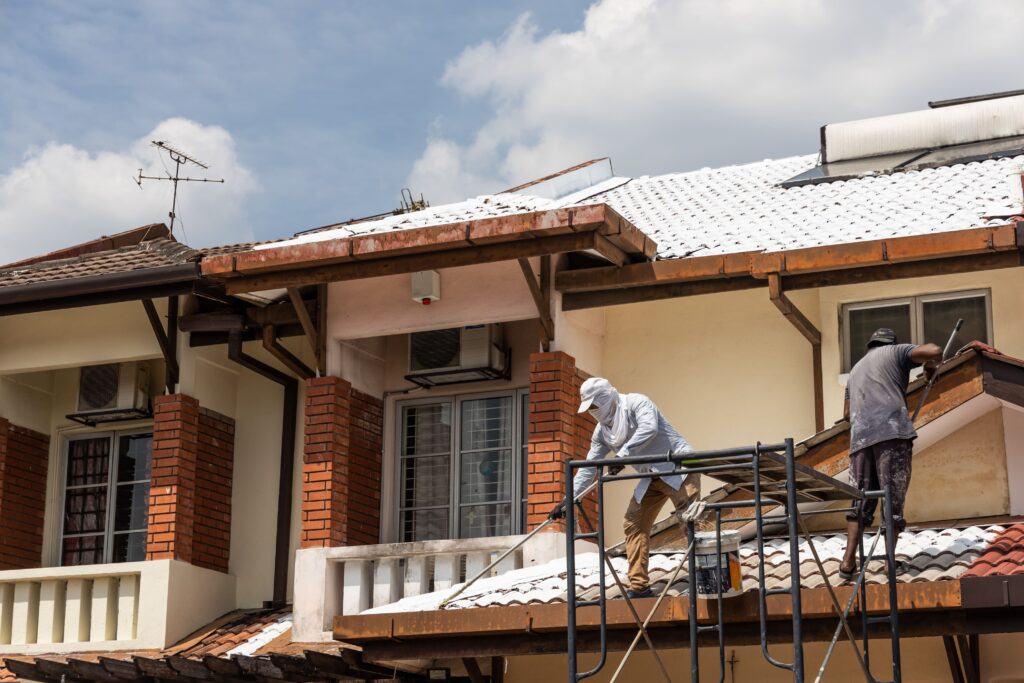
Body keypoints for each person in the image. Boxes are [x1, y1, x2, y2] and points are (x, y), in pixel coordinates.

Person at [837, 327, 992, 580]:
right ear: (890, 343)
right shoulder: (896, 351)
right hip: (890, 433)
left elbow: (846, 414)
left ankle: (847, 561)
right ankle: (888, 563)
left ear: (870, 345)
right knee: (892, 499)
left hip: (860, 441)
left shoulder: (854, 371)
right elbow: (935, 351)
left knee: (860, 501)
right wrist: (931, 367)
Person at [549, 377, 701, 599]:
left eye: (594, 405)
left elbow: (649, 428)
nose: (593, 411)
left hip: (678, 467)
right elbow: (589, 468)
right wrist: (567, 499)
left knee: (691, 519)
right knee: (633, 523)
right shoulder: (601, 433)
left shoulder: (637, 403)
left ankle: (707, 573)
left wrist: (622, 455)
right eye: (589, 408)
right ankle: (639, 586)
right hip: (651, 476)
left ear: (606, 398)